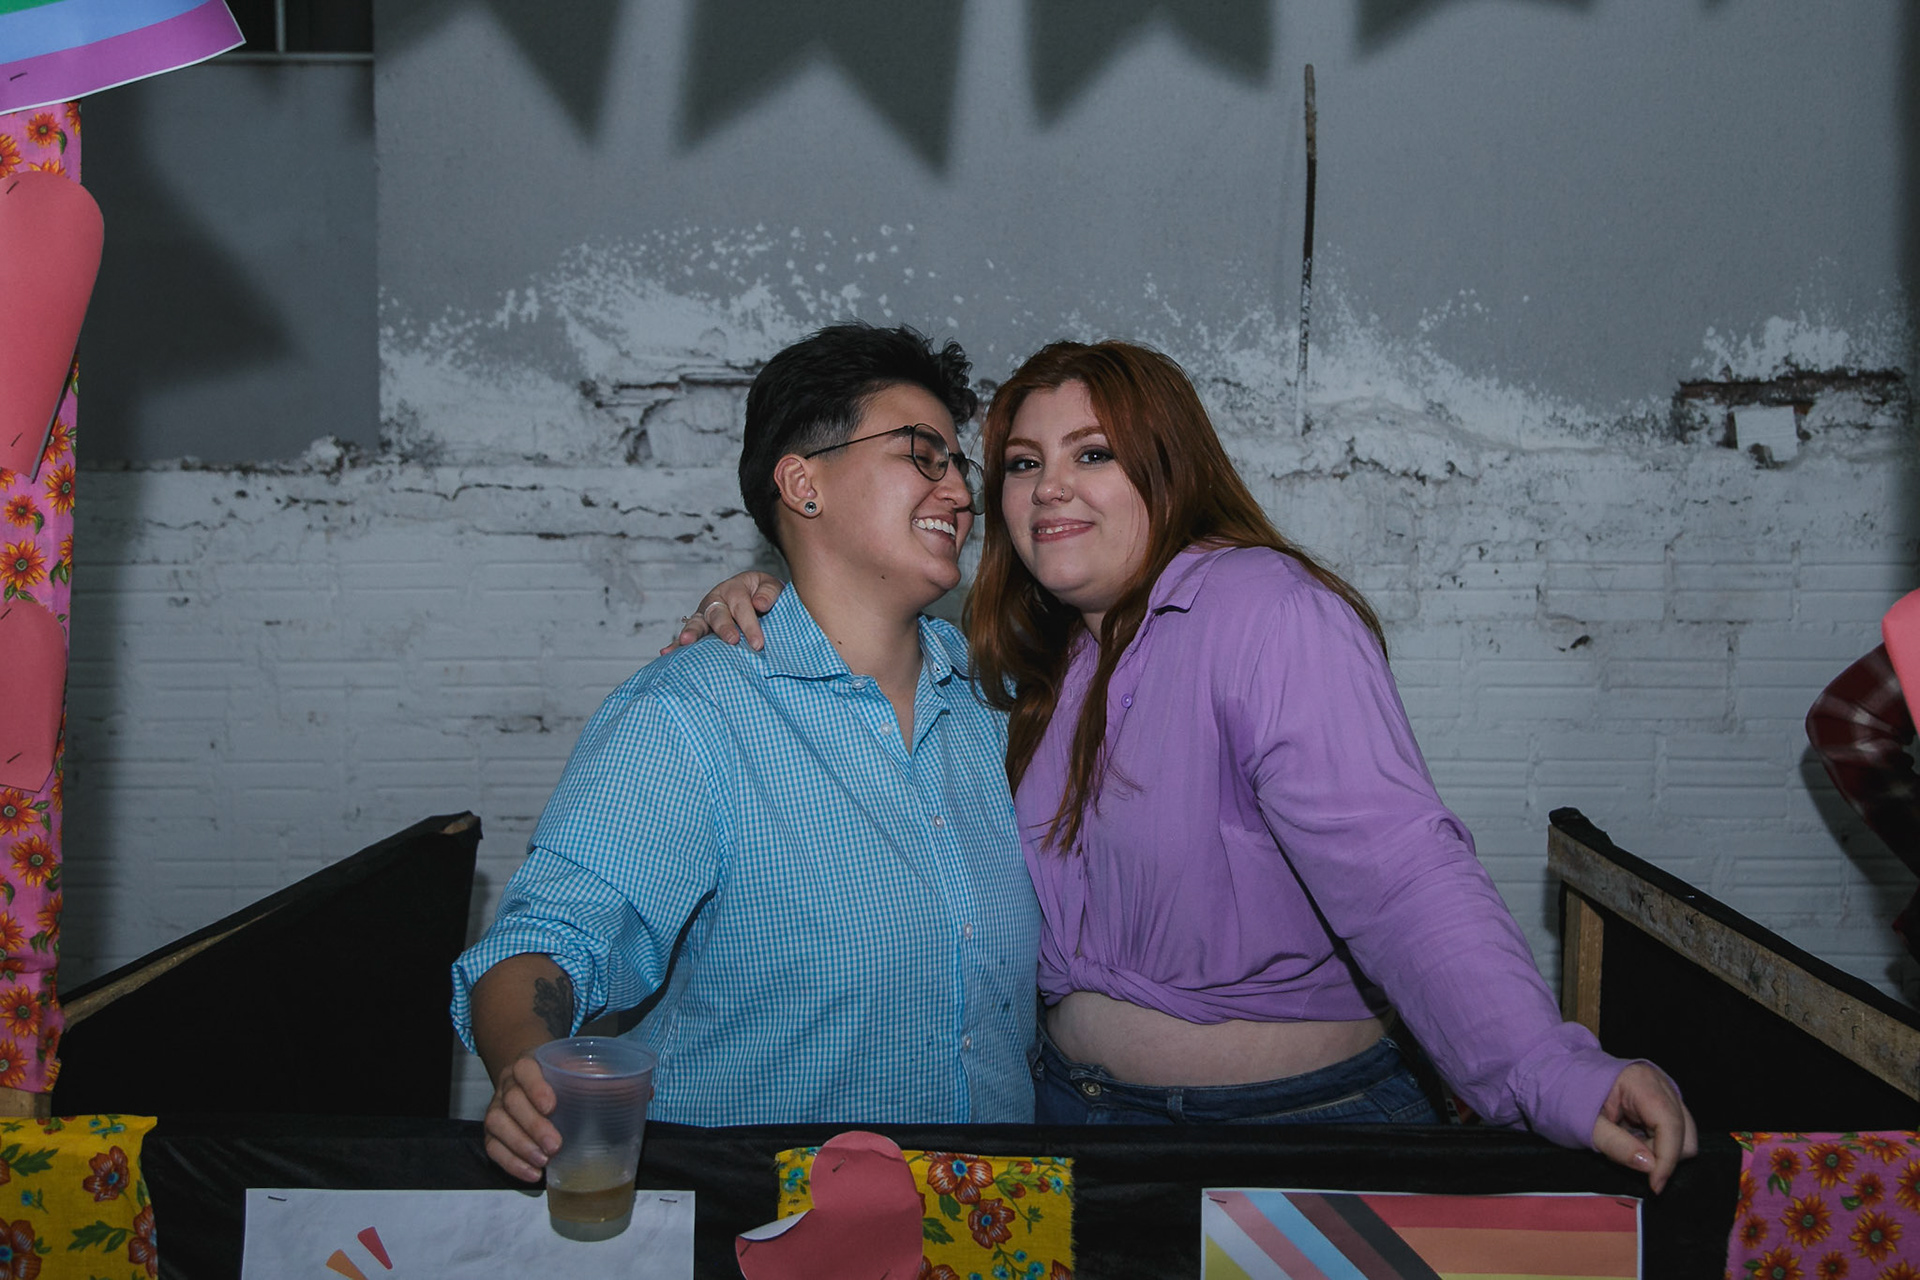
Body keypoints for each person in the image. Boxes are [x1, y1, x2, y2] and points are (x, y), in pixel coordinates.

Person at [679, 339, 1698, 1190]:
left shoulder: (1266, 610)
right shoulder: (1038, 674)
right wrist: (774, 598)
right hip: (1073, 1130)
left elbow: (1401, 868)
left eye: (1093, 453)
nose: (1048, 488)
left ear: (1168, 468)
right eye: (1023, 464)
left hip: (1284, 1137)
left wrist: (1544, 1068)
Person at [454, 323, 1041, 1182]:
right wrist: (526, 1069)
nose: (958, 492)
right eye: (923, 455)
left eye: (960, 466)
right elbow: (543, 941)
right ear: (803, 484)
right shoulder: (690, 716)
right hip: (767, 1225)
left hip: (990, 1223)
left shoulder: (995, 708)